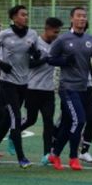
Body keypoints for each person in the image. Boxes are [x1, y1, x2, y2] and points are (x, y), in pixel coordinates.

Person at [46, 7, 92, 171]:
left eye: (84, 16)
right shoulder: (63, 39)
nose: (82, 19)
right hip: (68, 87)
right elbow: (50, 59)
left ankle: (55, 154)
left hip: (85, 88)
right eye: (79, 16)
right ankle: (73, 157)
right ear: (72, 18)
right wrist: (64, 60)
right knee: (79, 121)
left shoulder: (90, 40)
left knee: (68, 122)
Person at [0, 5, 39, 168]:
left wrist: (34, 53)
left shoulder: (32, 34)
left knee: (6, 119)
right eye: (23, 15)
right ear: (14, 17)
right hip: (7, 83)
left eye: (27, 15)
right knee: (16, 118)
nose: (26, 17)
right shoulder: (5, 34)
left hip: (24, 83)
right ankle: (21, 158)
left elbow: (35, 57)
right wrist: (0, 63)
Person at [20, 17, 63, 165]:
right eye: (54, 32)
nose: (56, 35)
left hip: (48, 90)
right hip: (32, 88)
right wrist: (46, 59)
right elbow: (29, 64)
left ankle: (46, 154)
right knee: (31, 120)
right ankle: (14, 134)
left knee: (48, 122)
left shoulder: (57, 45)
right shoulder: (35, 42)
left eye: (58, 32)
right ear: (46, 28)